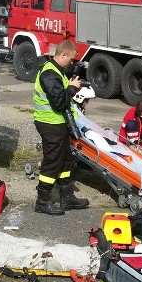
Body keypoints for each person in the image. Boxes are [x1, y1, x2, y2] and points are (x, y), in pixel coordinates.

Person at [33, 40, 89, 215]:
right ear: (63, 54)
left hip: (58, 123)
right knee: (52, 162)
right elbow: (59, 103)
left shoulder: (57, 71)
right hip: (50, 123)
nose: (72, 63)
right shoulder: (50, 73)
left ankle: (67, 198)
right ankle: (42, 202)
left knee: (65, 160)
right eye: (71, 59)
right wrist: (72, 89)